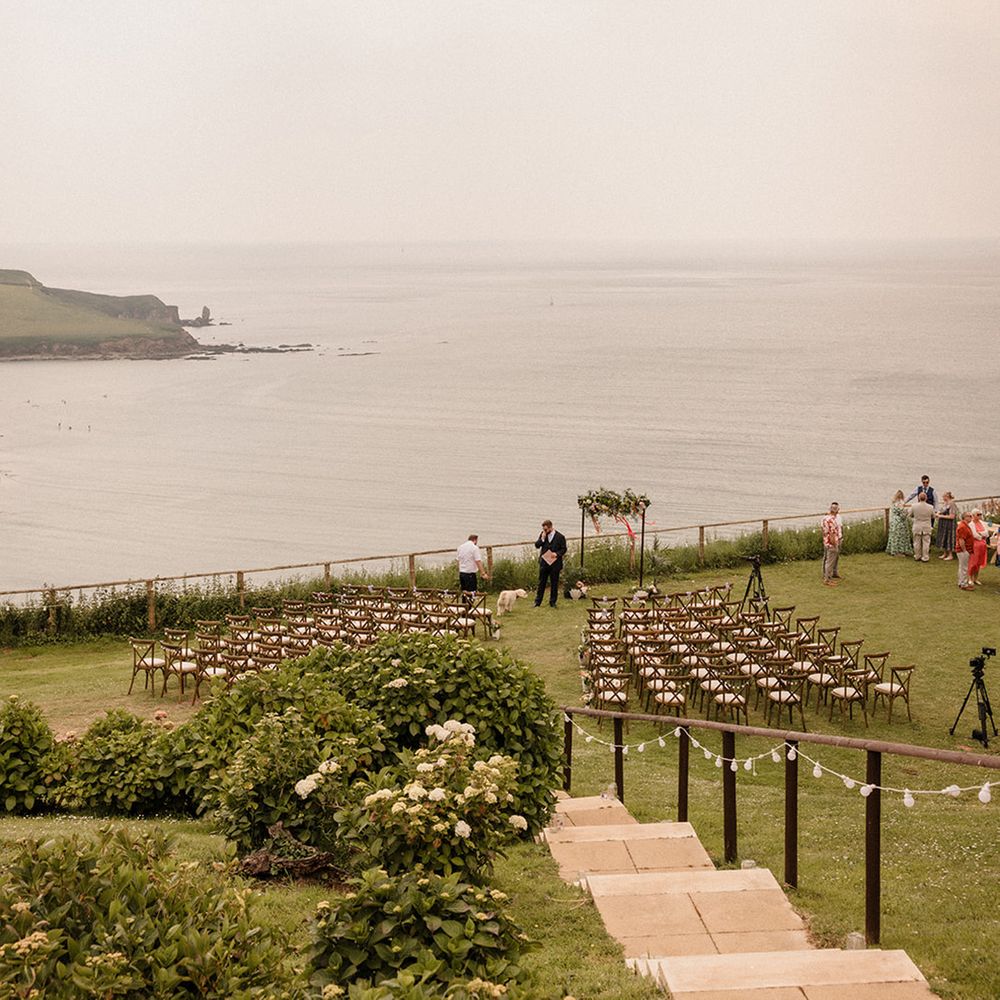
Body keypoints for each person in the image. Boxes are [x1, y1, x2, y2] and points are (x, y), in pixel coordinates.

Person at [534, 519, 567, 607]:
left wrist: (557, 554)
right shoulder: (543, 535)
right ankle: (537, 602)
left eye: (546, 529)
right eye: (543, 529)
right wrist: (542, 539)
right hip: (544, 563)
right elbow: (537, 545)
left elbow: (564, 549)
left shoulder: (560, 537)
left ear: (551, 527)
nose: (545, 531)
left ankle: (552, 602)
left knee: (554, 583)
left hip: (555, 564)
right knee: (541, 583)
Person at [885, 490, 913, 557]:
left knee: (894, 536)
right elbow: (902, 514)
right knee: (901, 537)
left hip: (894, 521)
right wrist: (907, 512)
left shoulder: (893, 503)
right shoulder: (901, 503)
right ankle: (899, 552)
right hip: (900, 522)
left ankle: (892, 550)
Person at [821, 502, 843, 586]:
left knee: (829, 561)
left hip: (826, 542)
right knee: (830, 562)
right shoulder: (831, 520)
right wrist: (834, 544)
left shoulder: (825, 518)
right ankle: (827, 579)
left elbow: (824, 531)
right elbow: (832, 534)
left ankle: (828, 577)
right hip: (831, 543)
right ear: (836, 511)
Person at [909, 492, 935, 562]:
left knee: (916, 542)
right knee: (926, 543)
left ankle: (917, 556)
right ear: (926, 498)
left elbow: (910, 514)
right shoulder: (930, 507)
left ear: (918, 498)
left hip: (917, 526)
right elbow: (933, 516)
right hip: (926, 526)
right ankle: (925, 557)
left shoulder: (914, 506)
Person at [968, 509, 989, 586]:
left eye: (980, 514)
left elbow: (987, 533)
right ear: (973, 515)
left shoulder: (982, 523)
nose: (980, 516)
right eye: (978, 514)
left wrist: (980, 534)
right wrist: (982, 535)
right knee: (973, 562)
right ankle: (970, 578)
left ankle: (975, 578)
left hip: (982, 545)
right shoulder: (971, 524)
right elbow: (974, 535)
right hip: (975, 545)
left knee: (979, 562)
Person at [935, 492, 957, 560]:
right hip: (943, 524)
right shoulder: (945, 503)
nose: (943, 498)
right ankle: (945, 553)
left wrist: (940, 516)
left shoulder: (952, 504)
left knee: (949, 538)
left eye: (944, 496)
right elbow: (941, 510)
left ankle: (950, 555)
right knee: (943, 537)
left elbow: (952, 516)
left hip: (949, 524)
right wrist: (938, 513)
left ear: (947, 497)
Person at [956, 511, 975, 590]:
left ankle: (961, 582)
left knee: (962, 567)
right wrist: (964, 550)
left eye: (971, 516)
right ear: (964, 517)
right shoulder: (963, 527)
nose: (971, 517)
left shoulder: (965, 525)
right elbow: (961, 539)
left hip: (964, 550)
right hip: (963, 550)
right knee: (964, 568)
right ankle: (963, 584)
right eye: (969, 516)